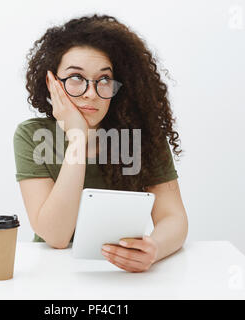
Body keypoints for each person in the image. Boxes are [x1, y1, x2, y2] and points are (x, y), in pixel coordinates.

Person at [13, 14, 188, 273]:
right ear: (52, 83)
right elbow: (57, 236)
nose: (91, 94)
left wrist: (154, 249)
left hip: (120, 273)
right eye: (76, 78)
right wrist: (77, 139)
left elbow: (173, 218)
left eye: (104, 80)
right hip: (52, 272)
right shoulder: (32, 136)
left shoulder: (145, 137)